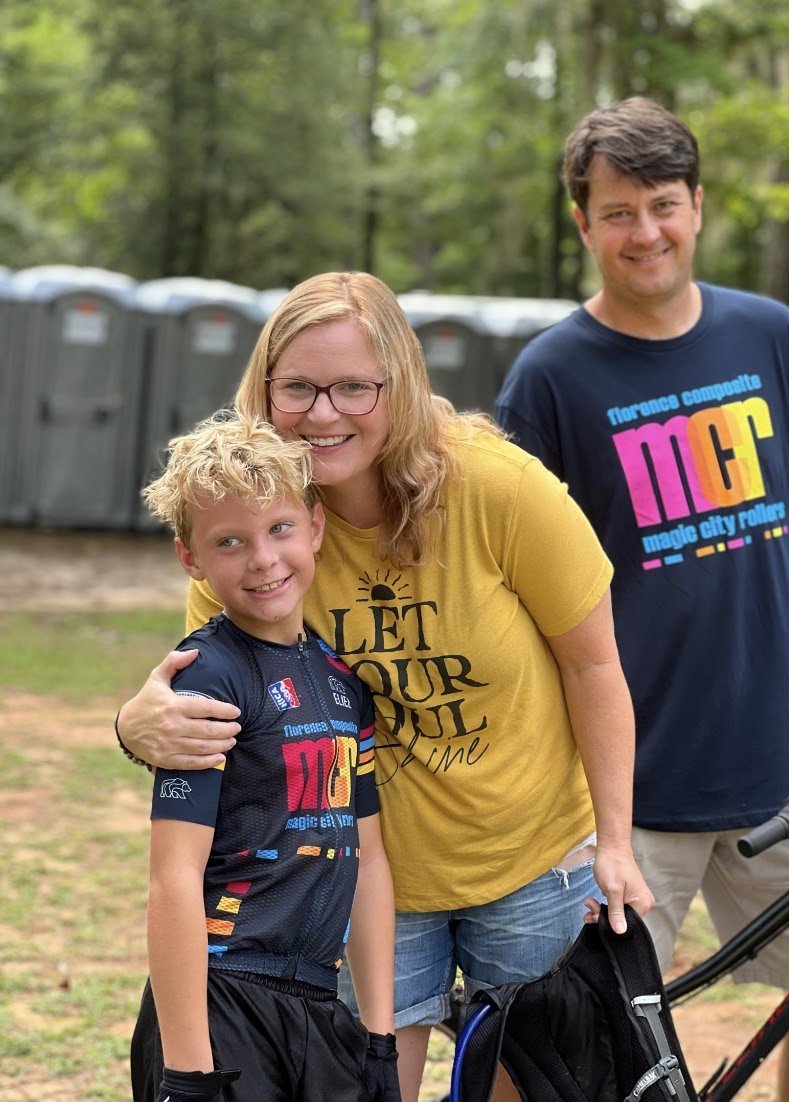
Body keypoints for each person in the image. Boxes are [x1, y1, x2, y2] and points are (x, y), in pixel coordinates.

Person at [116, 271, 653, 1102]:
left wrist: (614, 842)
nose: (323, 411)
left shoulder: (500, 489)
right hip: (369, 880)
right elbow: (217, 686)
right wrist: (135, 722)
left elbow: (594, 665)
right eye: (296, 386)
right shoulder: (258, 529)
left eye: (354, 387)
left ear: (398, 383)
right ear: (264, 389)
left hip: (528, 860)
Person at [493, 96, 789, 1102]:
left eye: (665, 205)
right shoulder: (550, 377)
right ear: (582, 222)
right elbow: (506, 589)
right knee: (560, 1032)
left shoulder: (768, 335)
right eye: (620, 211)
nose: (647, 231)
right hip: (622, 792)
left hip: (783, 769)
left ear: (698, 206)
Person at [129, 412, 400, 1102]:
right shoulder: (206, 678)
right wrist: (190, 1070)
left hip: (318, 1005)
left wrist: (379, 1035)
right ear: (190, 558)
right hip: (223, 999)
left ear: (314, 526)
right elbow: (174, 878)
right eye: (230, 542)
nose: (262, 559)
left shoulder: (344, 684)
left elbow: (365, 861)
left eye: (279, 529)